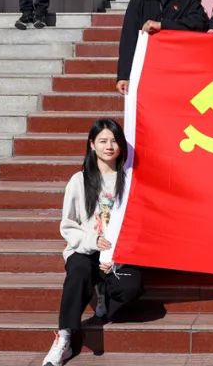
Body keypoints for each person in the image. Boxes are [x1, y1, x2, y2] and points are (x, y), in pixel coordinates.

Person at [41, 119, 143, 366]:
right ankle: (64, 337)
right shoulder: (79, 180)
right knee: (78, 272)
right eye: (103, 141)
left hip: (118, 255)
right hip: (86, 250)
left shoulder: (130, 181)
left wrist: (117, 257)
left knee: (131, 286)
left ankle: (102, 293)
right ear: (92, 145)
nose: (109, 146)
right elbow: (68, 226)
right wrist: (92, 241)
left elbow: (138, 225)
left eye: (114, 141)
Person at [115, 0, 189, 96]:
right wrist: (123, 75)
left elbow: (198, 23)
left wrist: (163, 25)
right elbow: (129, 39)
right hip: (149, 69)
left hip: (182, 68)